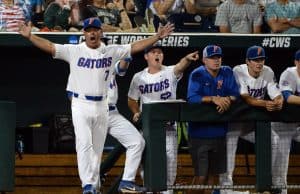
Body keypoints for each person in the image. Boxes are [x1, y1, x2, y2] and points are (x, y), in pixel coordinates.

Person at [18, 17, 174, 194]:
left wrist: (157, 37)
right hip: (81, 103)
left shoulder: (110, 51)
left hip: (103, 106)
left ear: (101, 32)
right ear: (84, 33)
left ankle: (108, 184)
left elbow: (134, 47)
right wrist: (30, 37)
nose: (92, 32)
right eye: (88, 29)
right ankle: (88, 185)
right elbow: (50, 46)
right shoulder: (74, 50)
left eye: (95, 29)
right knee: (84, 145)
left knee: (98, 150)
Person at [128, 44, 199, 194]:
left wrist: (187, 59)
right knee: (147, 161)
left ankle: (168, 191)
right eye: (153, 52)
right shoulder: (138, 77)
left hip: (168, 128)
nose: (157, 54)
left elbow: (180, 66)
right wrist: (135, 112)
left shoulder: (169, 72)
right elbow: (132, 99)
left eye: (160, 52)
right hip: (148, 128)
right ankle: (149, 189)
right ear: (146, 56)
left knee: (170, 162)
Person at [220, 45, 283, 194]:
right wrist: (266, 103)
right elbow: (247, 98)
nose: (259, 63)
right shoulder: (238, 71)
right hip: (234, 122)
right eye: (255, 60)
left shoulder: (267, 71)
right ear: (247, 61)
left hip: (251, 125)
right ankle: (225, 188)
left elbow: (276, 94)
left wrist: (279, 101)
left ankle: (267, 183)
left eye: (261, 59)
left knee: (274, 140)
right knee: (229, 149)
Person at [186, 45, 239, 194]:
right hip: (199, 134)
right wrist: (213, 99)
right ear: (204, 60)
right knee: (201, 178)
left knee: (212, 178)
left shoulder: (227, 72)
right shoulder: (197, 74)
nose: (216, 60)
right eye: (212, 57)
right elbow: (192, 98)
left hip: (219, 132)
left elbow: (235, 94)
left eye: (218, 57)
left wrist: (226, 100)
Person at [107, 58, 146, 193]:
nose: (103, 46)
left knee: (137, 142)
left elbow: (121, 68)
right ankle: (91, 186)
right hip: (92, 111)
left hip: (112, 112)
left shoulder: (108, 61)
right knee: (91, 153)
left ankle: (127, 182)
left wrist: (127, 53)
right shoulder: (82, 65)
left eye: (105, 43)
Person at [271, 49, 300, 194]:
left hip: (297, 124)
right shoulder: (289, 73)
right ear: (296, 62)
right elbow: (287, 97)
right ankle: (280, 190)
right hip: (282, 124)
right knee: (281, 167)